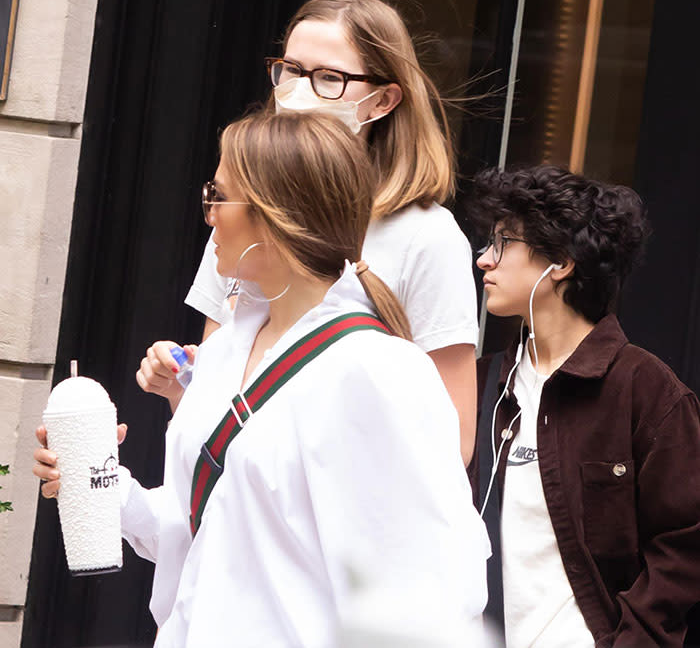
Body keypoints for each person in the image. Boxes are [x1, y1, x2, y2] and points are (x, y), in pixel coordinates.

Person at [34, 112, 490, 646]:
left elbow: (431, 591)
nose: (207, 216)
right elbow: (209, 532)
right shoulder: (223, 351)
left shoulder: (375, 370)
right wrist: (103, 487)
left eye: (217, 196)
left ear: (275, 216)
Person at [136, 0, 480, 465]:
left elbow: (452, 443)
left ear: (382, 100)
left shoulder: (427, 238)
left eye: (329, 78)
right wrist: (182, 385)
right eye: (291, 70)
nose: (299, 92)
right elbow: (216, 406)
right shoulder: (244, 209)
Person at [468, 164, 700, 647]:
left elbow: (684, 547)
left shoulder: (646, 392)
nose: (484, 261)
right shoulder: (483, 384)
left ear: (561, 263)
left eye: (503, 243)